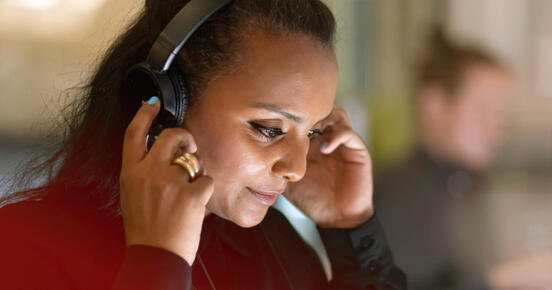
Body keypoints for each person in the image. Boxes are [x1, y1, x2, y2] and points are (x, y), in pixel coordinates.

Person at [0, 0, 406, 289]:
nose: (297, 168)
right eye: (269, 128)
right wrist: (158, 261)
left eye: (313, 132)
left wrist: (351, 228)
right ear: (164, 106)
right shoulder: (24, 246)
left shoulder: (276, 248)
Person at [374, 28, 512, 290]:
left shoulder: (464, 184)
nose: (495, 127)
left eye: (501, 114)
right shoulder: (405, 191)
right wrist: (501, 279)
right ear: (435, 104)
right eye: (483, 109)